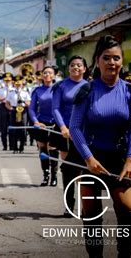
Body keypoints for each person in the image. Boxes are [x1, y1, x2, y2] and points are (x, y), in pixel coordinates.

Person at [71, 35, 131, 258]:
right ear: (97, 61)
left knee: (129, 213)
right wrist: (89, 159)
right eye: (106, 58)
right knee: (91, 215)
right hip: (90, 156)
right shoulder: (86, 91)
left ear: (122, 61)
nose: (112, 62)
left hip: (121, 158)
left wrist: (130, 159)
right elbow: (74, 127)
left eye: (116, 58)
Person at [51, 55, 88, 217]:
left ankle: (86, 206)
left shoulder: (90, 86)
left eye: (79, 65)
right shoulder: (61, 86)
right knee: (68, 171)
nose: (76, 68)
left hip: (85, 133)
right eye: (72, 65)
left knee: (85, 171)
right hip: (65, 132)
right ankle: (69, 205)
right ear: (69, 68)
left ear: (84, 69)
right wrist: (63, 128)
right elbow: (56, 108)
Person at [28, 65, 59, 186]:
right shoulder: (37, 90)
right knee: (43, 149)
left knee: (53, 149)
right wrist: (36, 121)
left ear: (54, 75)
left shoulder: (58, 89)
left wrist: (60, 122)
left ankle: (54, 175)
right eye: (45, 73)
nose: (47, 75)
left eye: (50, 73)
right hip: (41, 122)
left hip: (55, 122)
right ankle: (46, 175)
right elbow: (31, 109)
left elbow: (62, 107)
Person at [5, 76, 30, 154]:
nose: (18, 84)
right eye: (17, 83)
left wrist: (24, 102)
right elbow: (7, 103)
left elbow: (29, 103)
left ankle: (21, 147)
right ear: (14, 84)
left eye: (19, 83)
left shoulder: (25, 93)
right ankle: (15, 147)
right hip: (14, 110)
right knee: (14, 130)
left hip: (23, 110)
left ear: (22, 83)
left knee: (23, 130)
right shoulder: (11, 93)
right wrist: (10, 108)